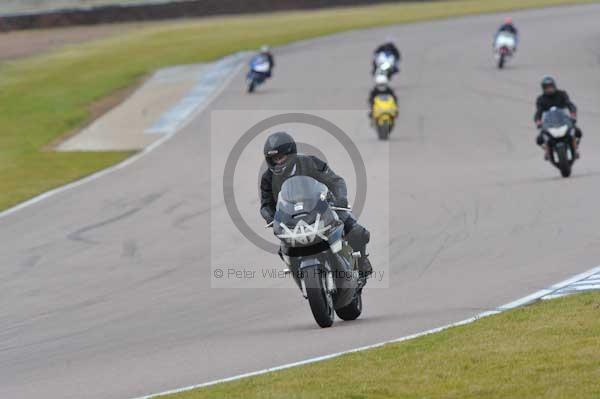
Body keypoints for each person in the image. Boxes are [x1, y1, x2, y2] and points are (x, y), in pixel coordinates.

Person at [260, 132, 373, 278]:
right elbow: (265, 204)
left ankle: (362, 260)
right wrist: (271, 217)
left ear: (291, 154)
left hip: (322, 206)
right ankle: (300, 276)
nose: (278, 162)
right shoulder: (268, 178)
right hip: (291, 217)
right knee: (284, 250)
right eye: (275, 159)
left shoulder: (310, 162)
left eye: (281, 157)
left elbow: (335, 181)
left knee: (357, 232)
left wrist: (340, 199)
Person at [534, 76, 582, 158]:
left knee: (577, 132)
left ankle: (575, 148)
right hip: (549, 122)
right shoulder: (541, 99)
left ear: (554, 86)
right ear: (543, 89)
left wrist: (573, 115)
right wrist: (538, 122)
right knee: (539, 139)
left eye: (550, 87)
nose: (549, 89)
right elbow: (538, 112)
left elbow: (570, 105)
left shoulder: (562, 94)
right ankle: (547, 150)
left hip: (563, 119)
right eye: (547, 88)